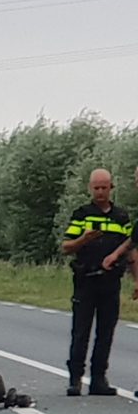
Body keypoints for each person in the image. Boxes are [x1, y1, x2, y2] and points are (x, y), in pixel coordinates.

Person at [61, 168, 131, 396]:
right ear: (90, 188)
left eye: (104, 187)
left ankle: (99, 378)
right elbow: (66, 247)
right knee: (81, 331)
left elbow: (131, 251)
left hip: (111, 282)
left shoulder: (121, 217)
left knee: (106, 331)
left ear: (111, 188)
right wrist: (83, 239)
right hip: (85, 280)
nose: (100, 192)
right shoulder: (81, 214)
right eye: (96, 187)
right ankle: (75, 379)